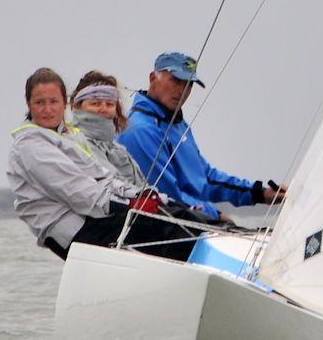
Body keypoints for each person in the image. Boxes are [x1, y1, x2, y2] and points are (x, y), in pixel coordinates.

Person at [7, 67, 198, 262]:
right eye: (40, 103)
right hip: (74, 231)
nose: (48, 110)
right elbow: (76, 191)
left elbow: (103, 178)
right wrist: (128, 205)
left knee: (178, 216)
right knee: (165, 227)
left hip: (92, 217)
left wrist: (155, 199)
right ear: (29, 104)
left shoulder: (69, 137)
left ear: (64, 103)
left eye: (53, 101)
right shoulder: (30, 145)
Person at [117, 51, 286, 222]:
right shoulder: (140, 130)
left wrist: (259, 193)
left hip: (189, 221)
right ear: (153, 78)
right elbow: (165, 196)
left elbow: (205, 178)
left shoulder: (178, 125)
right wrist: (216, 215)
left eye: (189, 84)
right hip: (160, 230)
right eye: (176, 81)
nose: (182, 90)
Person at [69, 70, 147, 187]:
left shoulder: (119, 151)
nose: (103, 108)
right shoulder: (71, 143)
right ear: (77, 106)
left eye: (110, 104)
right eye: (95, 103)